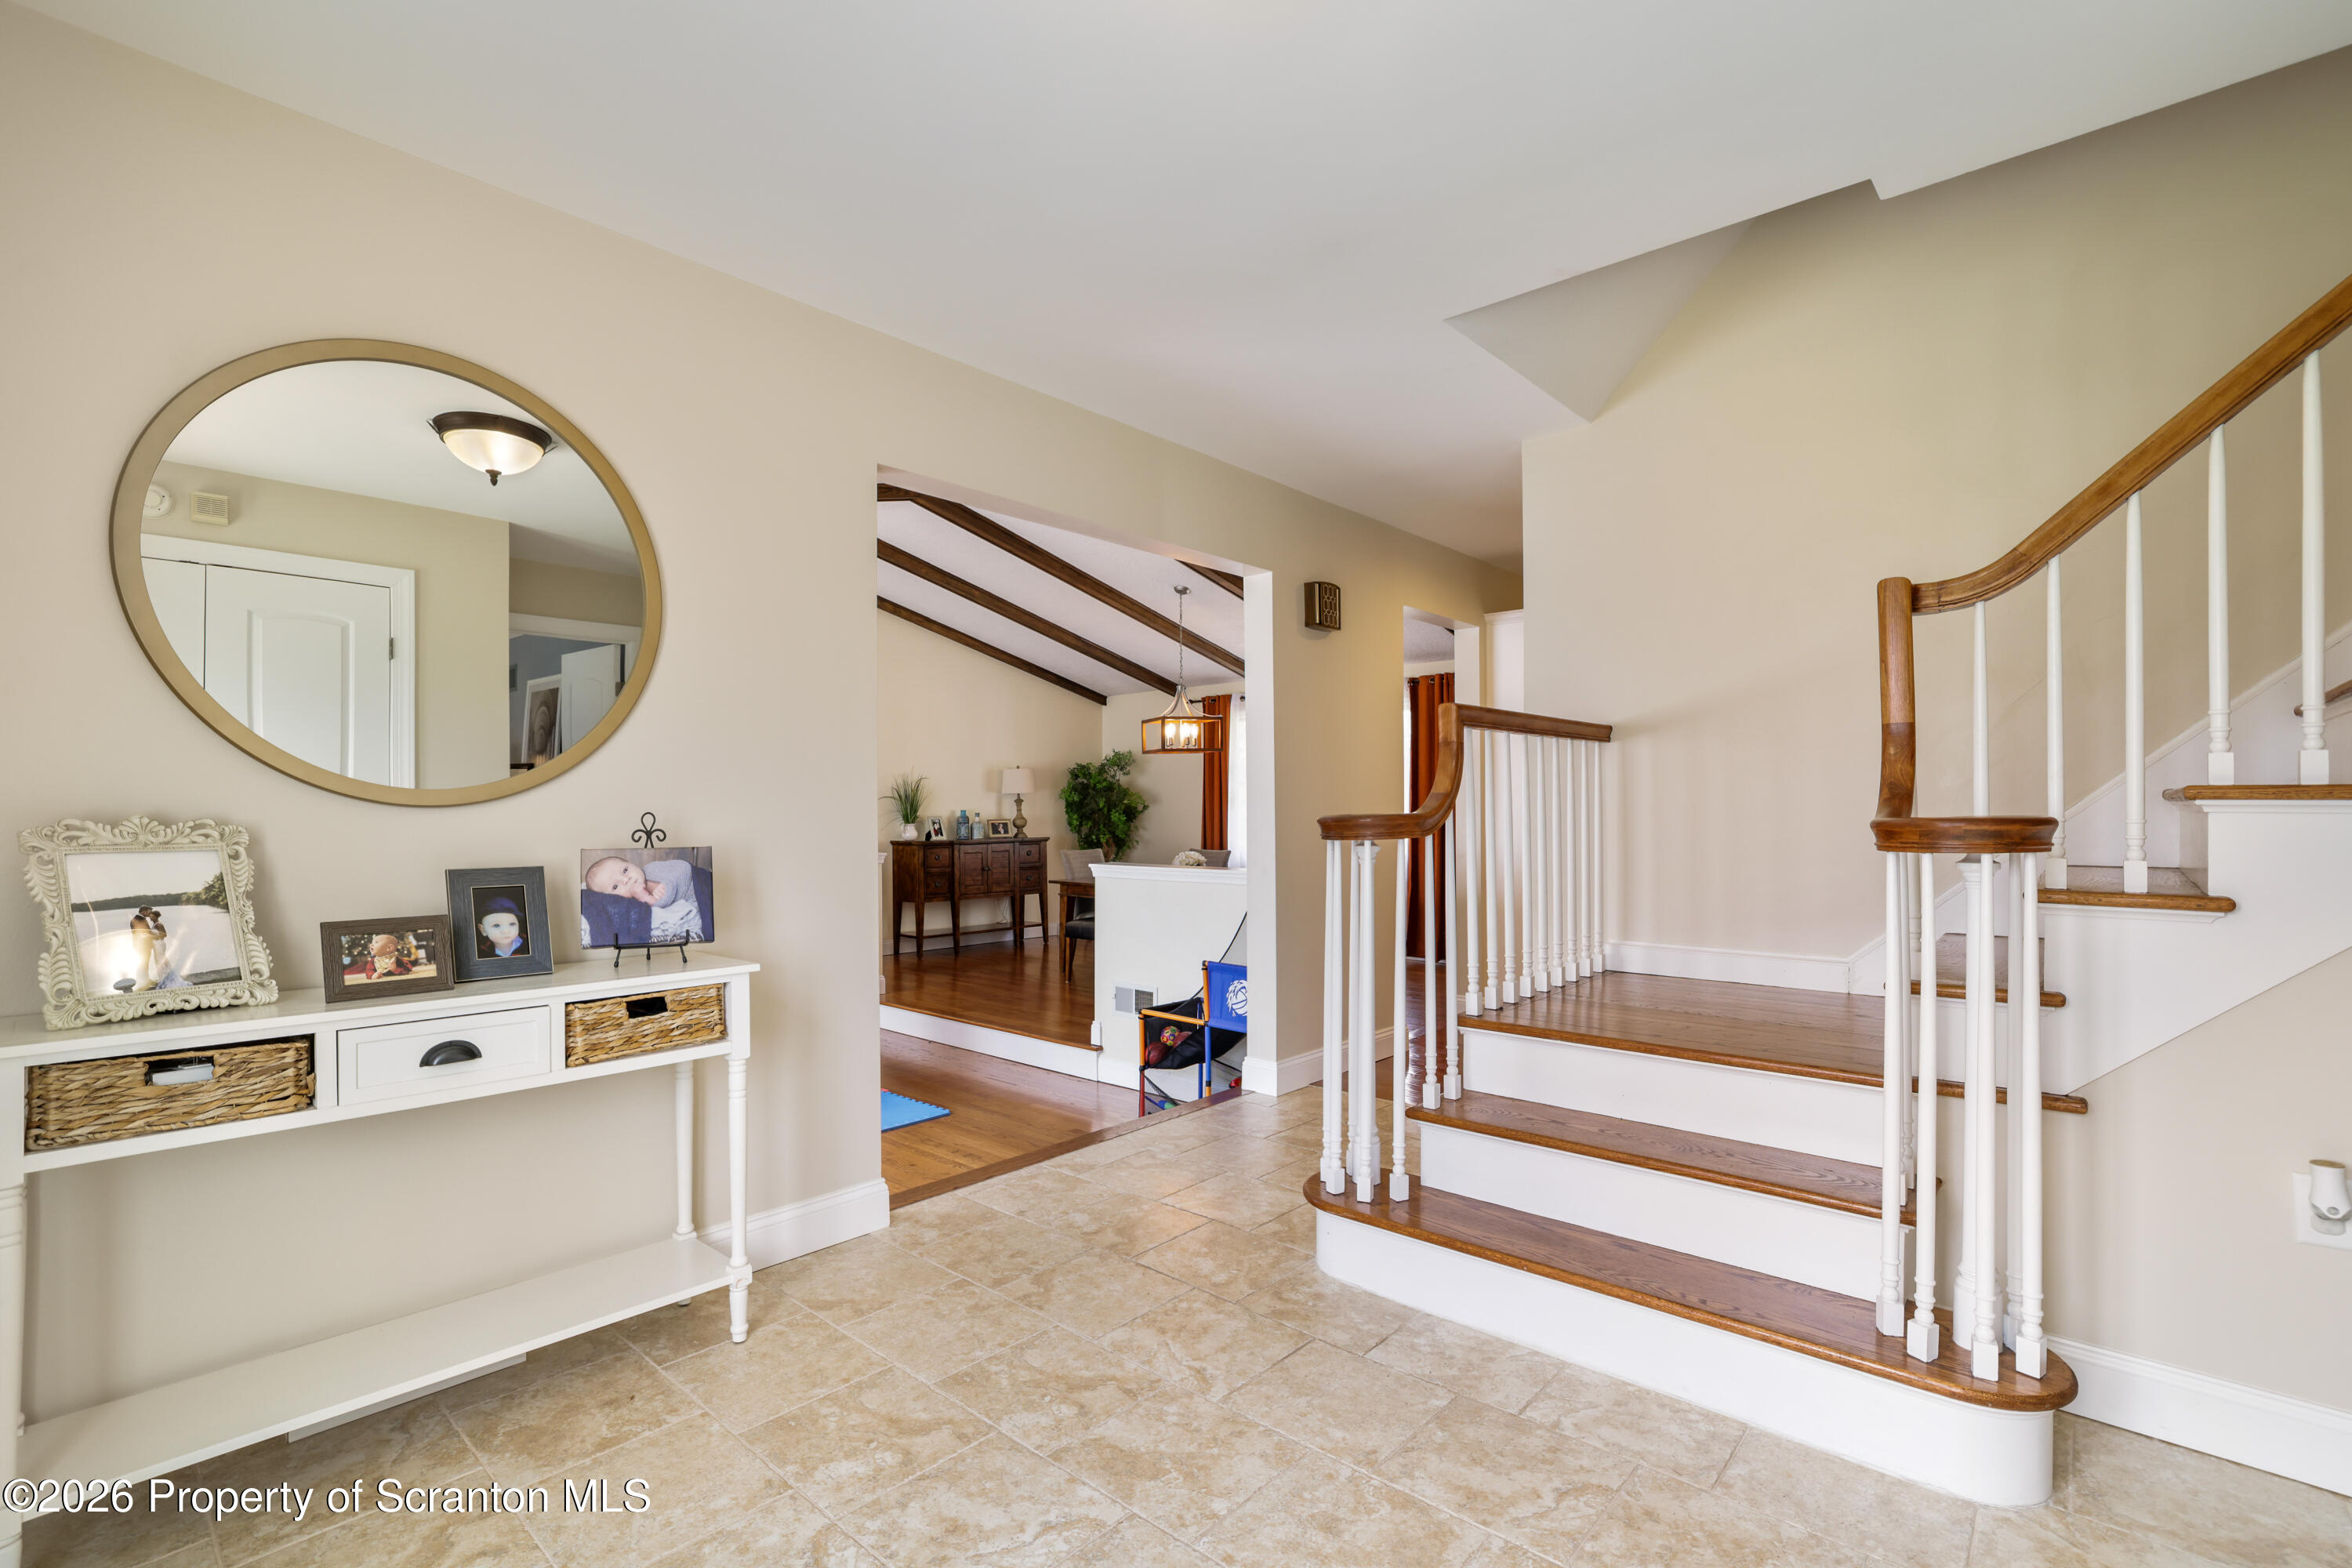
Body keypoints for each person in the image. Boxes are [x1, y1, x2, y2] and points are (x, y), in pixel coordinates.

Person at [582, 855, 705, 942]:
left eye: (625, 870)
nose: (626, 879)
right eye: (615, 886)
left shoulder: (651, 871)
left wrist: (648, 896)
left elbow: (667, 894)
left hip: (694, 882)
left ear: (631, 864)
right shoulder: (633, 906)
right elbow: (659, 909)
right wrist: (644, 897)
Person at [475, 895, 528, 959]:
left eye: (512, 924)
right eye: (496, 925)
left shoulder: (528, 944)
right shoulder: (481, 952)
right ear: (483, 930)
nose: (506, 931)